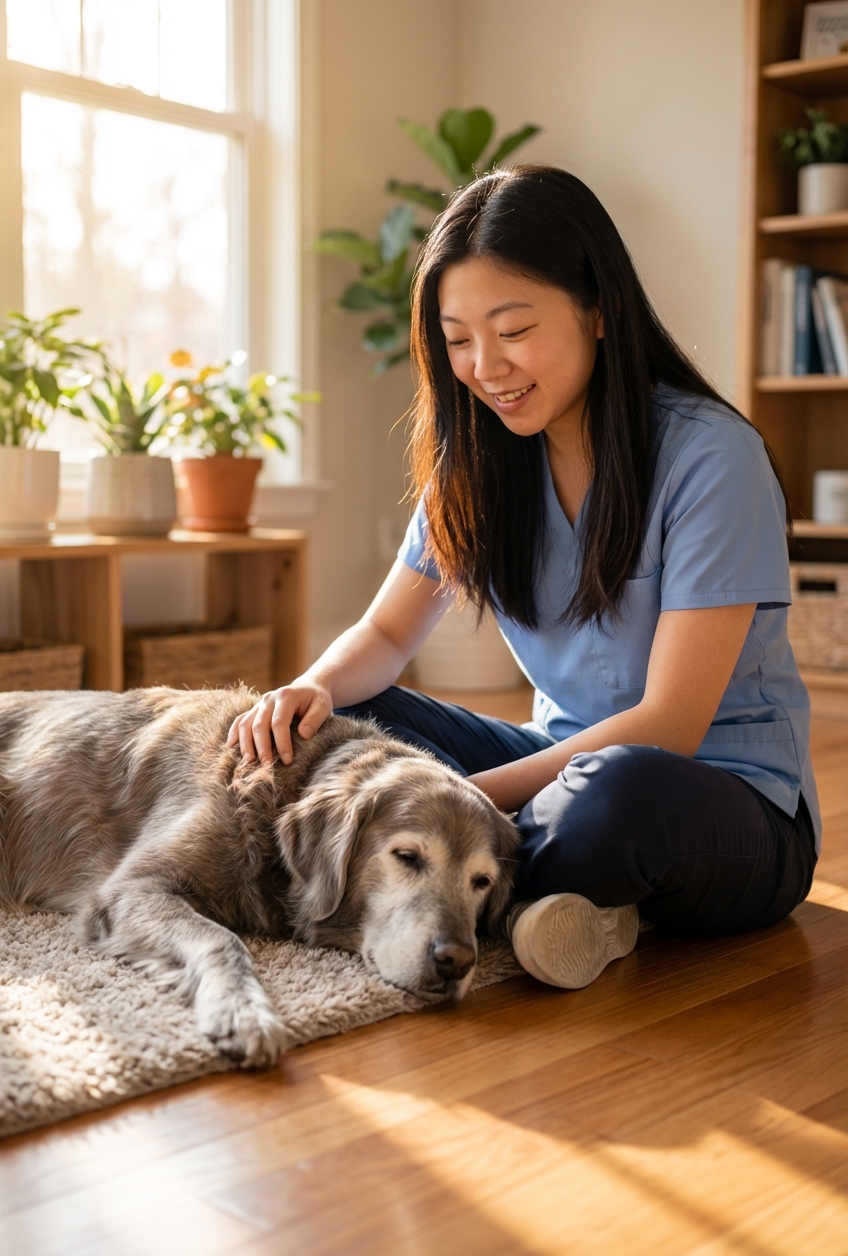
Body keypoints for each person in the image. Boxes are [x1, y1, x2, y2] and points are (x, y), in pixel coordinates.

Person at [229, 165, 819, 991]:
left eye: (512, 330)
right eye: (458, 337)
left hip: (720, 801)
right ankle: (570, 905)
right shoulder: (477, 461)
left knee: (612, 796)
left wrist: (457, 805)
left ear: (599, 311)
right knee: (350, 717)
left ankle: (479, 878)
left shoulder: (713, 457)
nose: (484, 366)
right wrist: (311, 687)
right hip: (552, 763)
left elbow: (671, 723)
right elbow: (390, 634)